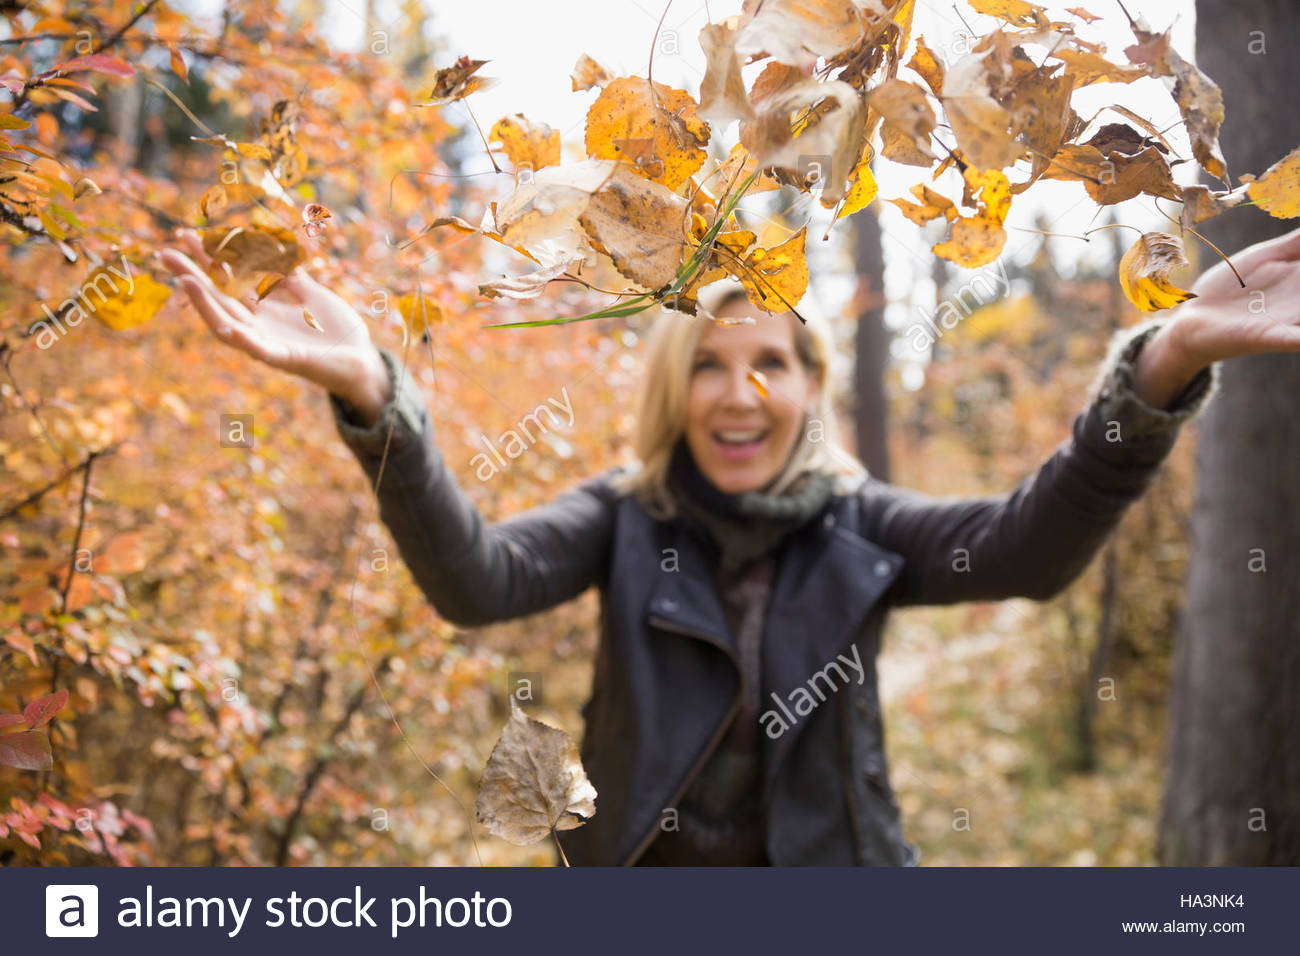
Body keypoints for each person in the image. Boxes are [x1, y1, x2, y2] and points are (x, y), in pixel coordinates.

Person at [160, 226, 1300, 866]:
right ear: (673, 386)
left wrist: (1160, 362)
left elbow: (1026, 548)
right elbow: (476, 580)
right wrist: (377, 396)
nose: (738, 390)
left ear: (810, 389)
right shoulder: (621, 514)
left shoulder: (860, 522)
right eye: (707, 362)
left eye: (771, 363)